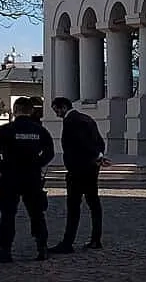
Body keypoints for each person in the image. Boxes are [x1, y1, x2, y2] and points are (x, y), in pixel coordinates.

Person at [0, 95, 55, 263]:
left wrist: (2, 167)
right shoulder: (40, 130)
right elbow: (50, 152)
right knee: (37, 213)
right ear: (31, 111)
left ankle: (5, 251)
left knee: (8, 214)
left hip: (10, 176)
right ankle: (42, 248)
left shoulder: (5, 130)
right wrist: (37, 164)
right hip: (32, 176)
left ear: (15, 110)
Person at [48, 96, 108, 253]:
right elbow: (99, 142)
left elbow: (82, 143)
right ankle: (96, 239)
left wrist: (94, 155)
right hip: (91, 169)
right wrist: (99, 156)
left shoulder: (71, 122)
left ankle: (68, 243)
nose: (56, 114)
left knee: (73, 207)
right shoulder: (87, 119)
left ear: (63, 108)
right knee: (94, 204)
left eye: (56, 110)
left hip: (77, 170)